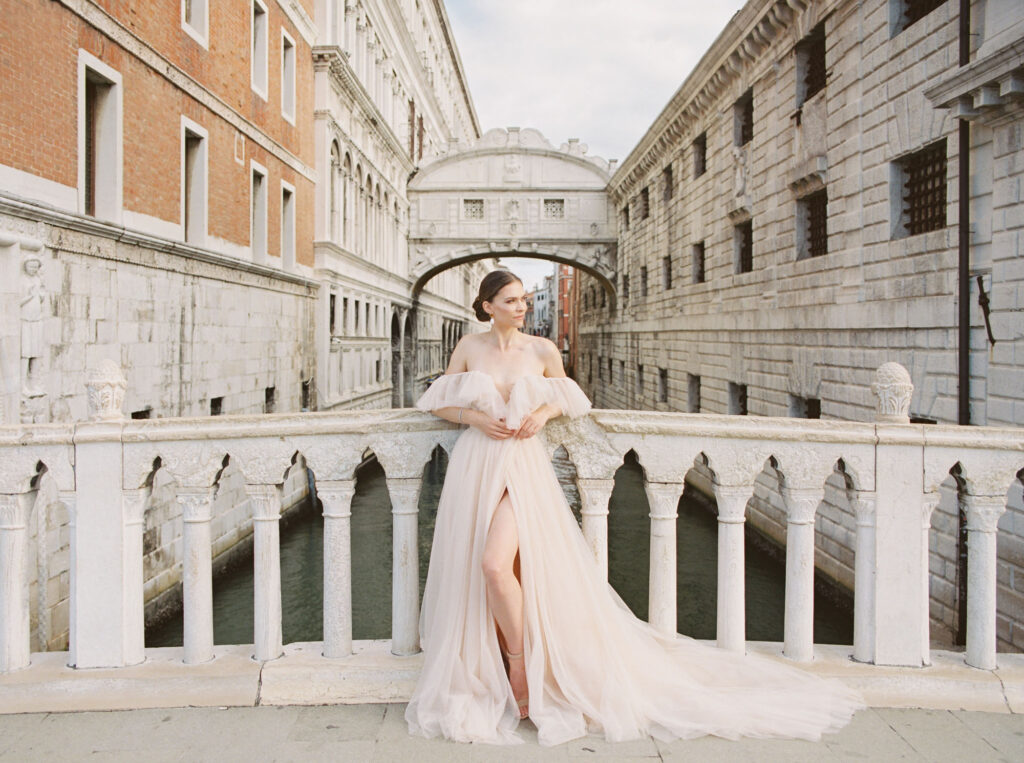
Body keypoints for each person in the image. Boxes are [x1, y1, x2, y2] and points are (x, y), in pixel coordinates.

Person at [405, 270, 863, 746]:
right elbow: (437, 403)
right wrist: (475, 416)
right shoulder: (468, 347)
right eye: (511, 300)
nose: (521, 307)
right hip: (475, 466)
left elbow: (570, 399)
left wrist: (541, 413)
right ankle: (503, 667)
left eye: (523, 300)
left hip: (522, 468)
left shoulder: (541, 350)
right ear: (487, 306)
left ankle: (521, 673)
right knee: (499, 573)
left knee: (495, 566)